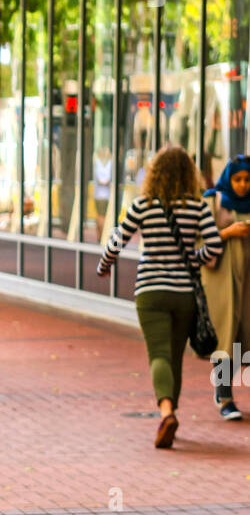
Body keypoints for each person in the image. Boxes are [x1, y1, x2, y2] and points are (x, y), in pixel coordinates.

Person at [97, 144, 223, 449]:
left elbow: (117, 241)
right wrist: (194, 259)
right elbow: (215, 247)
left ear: (155, 174)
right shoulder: (198, 207)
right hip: (184, 295)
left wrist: (104, 266)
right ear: (188, 175)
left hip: (150, 291)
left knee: (158, 354)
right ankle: (171, 414)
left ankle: (166, 412)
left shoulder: (142, 205)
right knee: (174, 356)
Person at [201, 156, 250, 420]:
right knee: (226, 338)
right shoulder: (213, 201)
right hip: (222, 280)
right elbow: (200, 239)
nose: (242, 185)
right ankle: (225, 396)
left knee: (245, 336)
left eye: (247, 180)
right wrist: (229, 232)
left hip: (248, 279)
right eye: (237, 179)